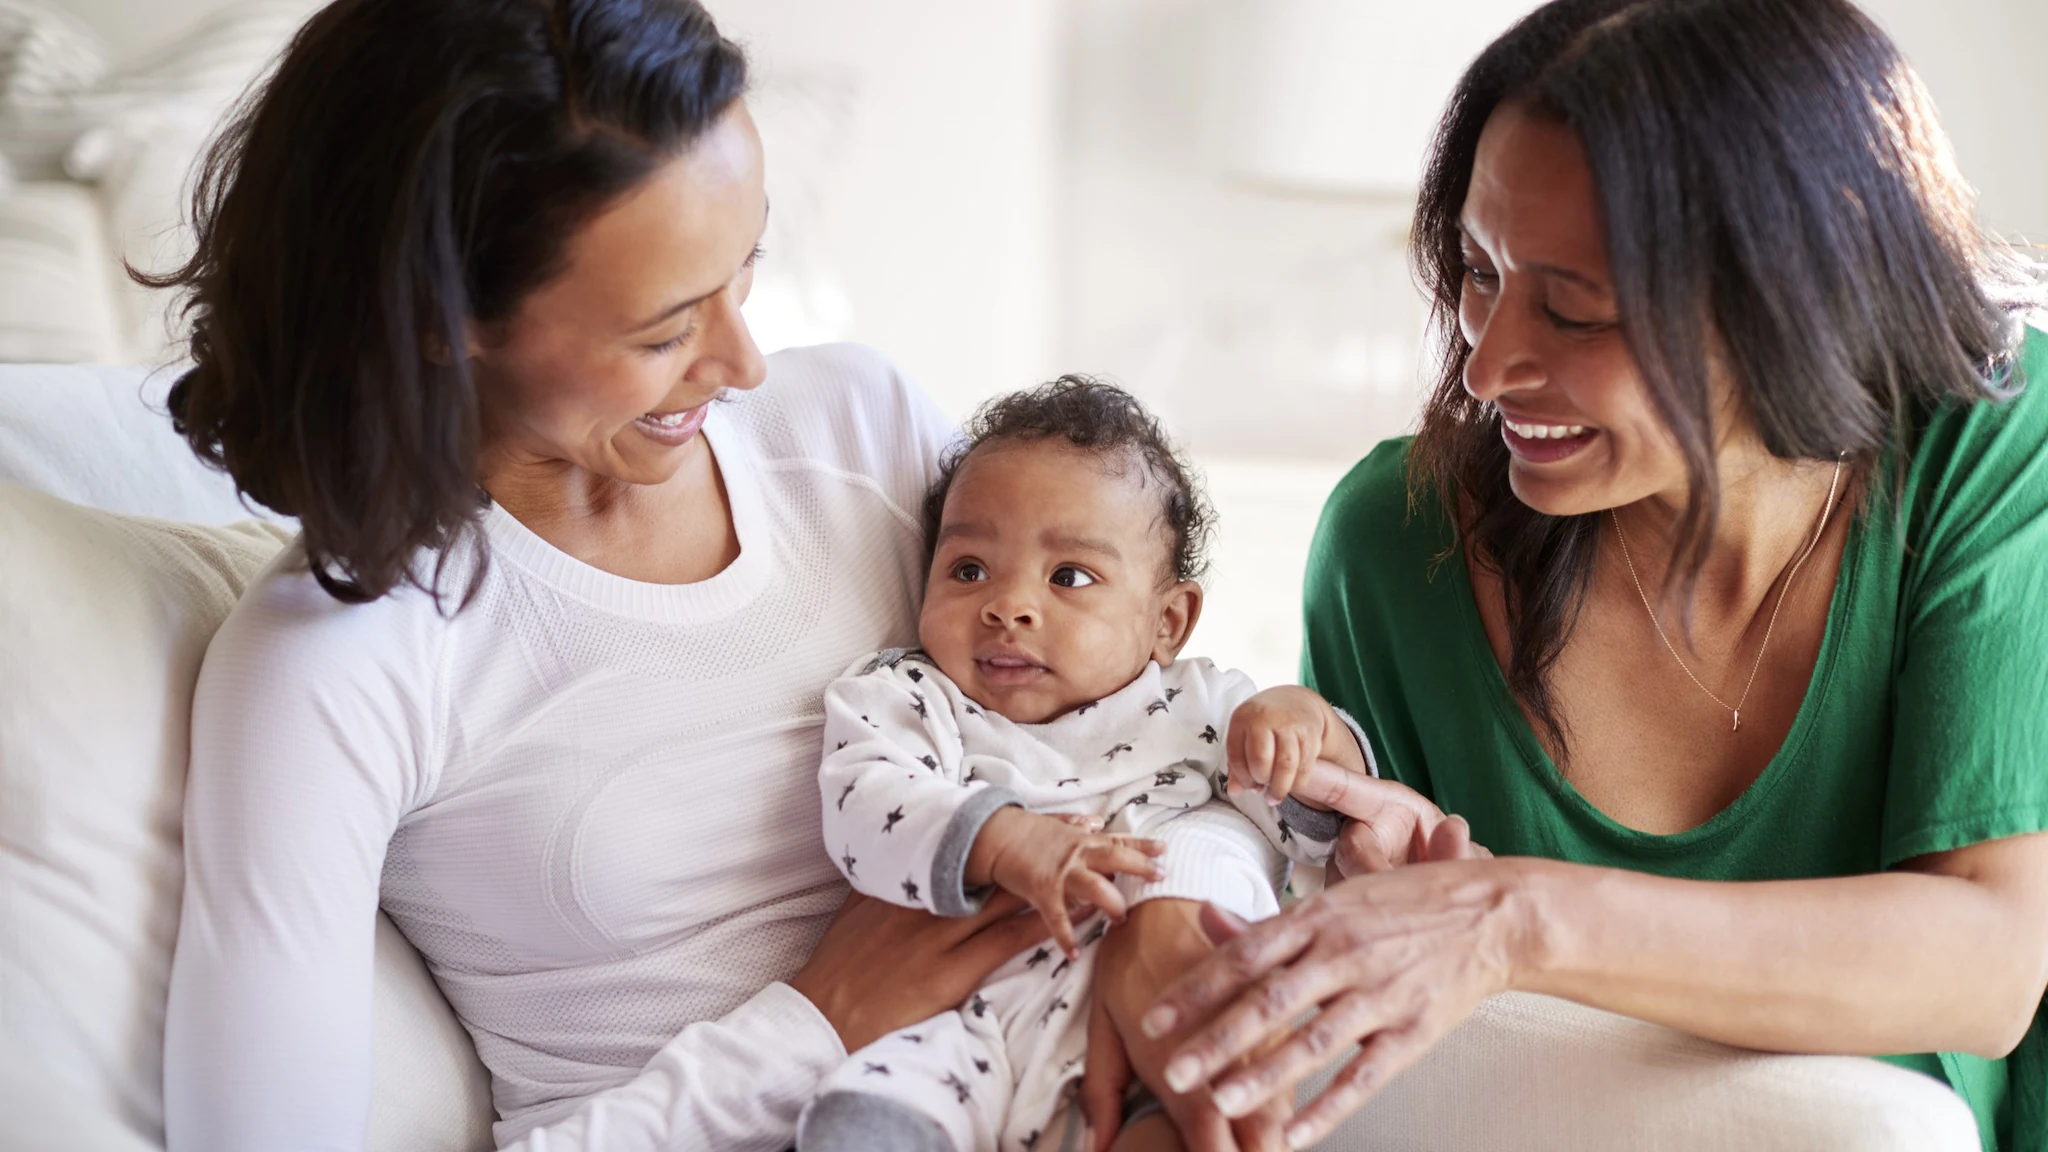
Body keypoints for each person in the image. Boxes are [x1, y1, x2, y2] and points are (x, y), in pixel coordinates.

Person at [149, 2, 1457, 1149]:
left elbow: (1124, 714)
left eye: (747, 271)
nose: (746, 366)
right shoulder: (334, 661)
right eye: (666, 331)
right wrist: (812, 1025)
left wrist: (1189, 888)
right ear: (442, 323)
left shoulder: (856, 432)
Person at [1138, 0, 2048, 1149]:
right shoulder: (1390, 541)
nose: (1485, 363)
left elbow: (1985, 964)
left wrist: (1514, 915)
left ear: (1791, 300)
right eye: (1476, 270)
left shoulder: (1992, 450)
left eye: (1572, 311)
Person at [801, 379, 1377, 1152]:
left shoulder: (1199, 708)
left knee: (1187, 1126)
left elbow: (1318, 825)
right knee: (855, 1119)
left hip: (1134, 1027)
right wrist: (1005, 842)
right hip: (954, 1027)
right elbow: (865, 804)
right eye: (969, 569)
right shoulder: (907, 694)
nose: (1009, 606)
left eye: (1068, 577)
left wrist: (1306, 728)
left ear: (1167, 621)